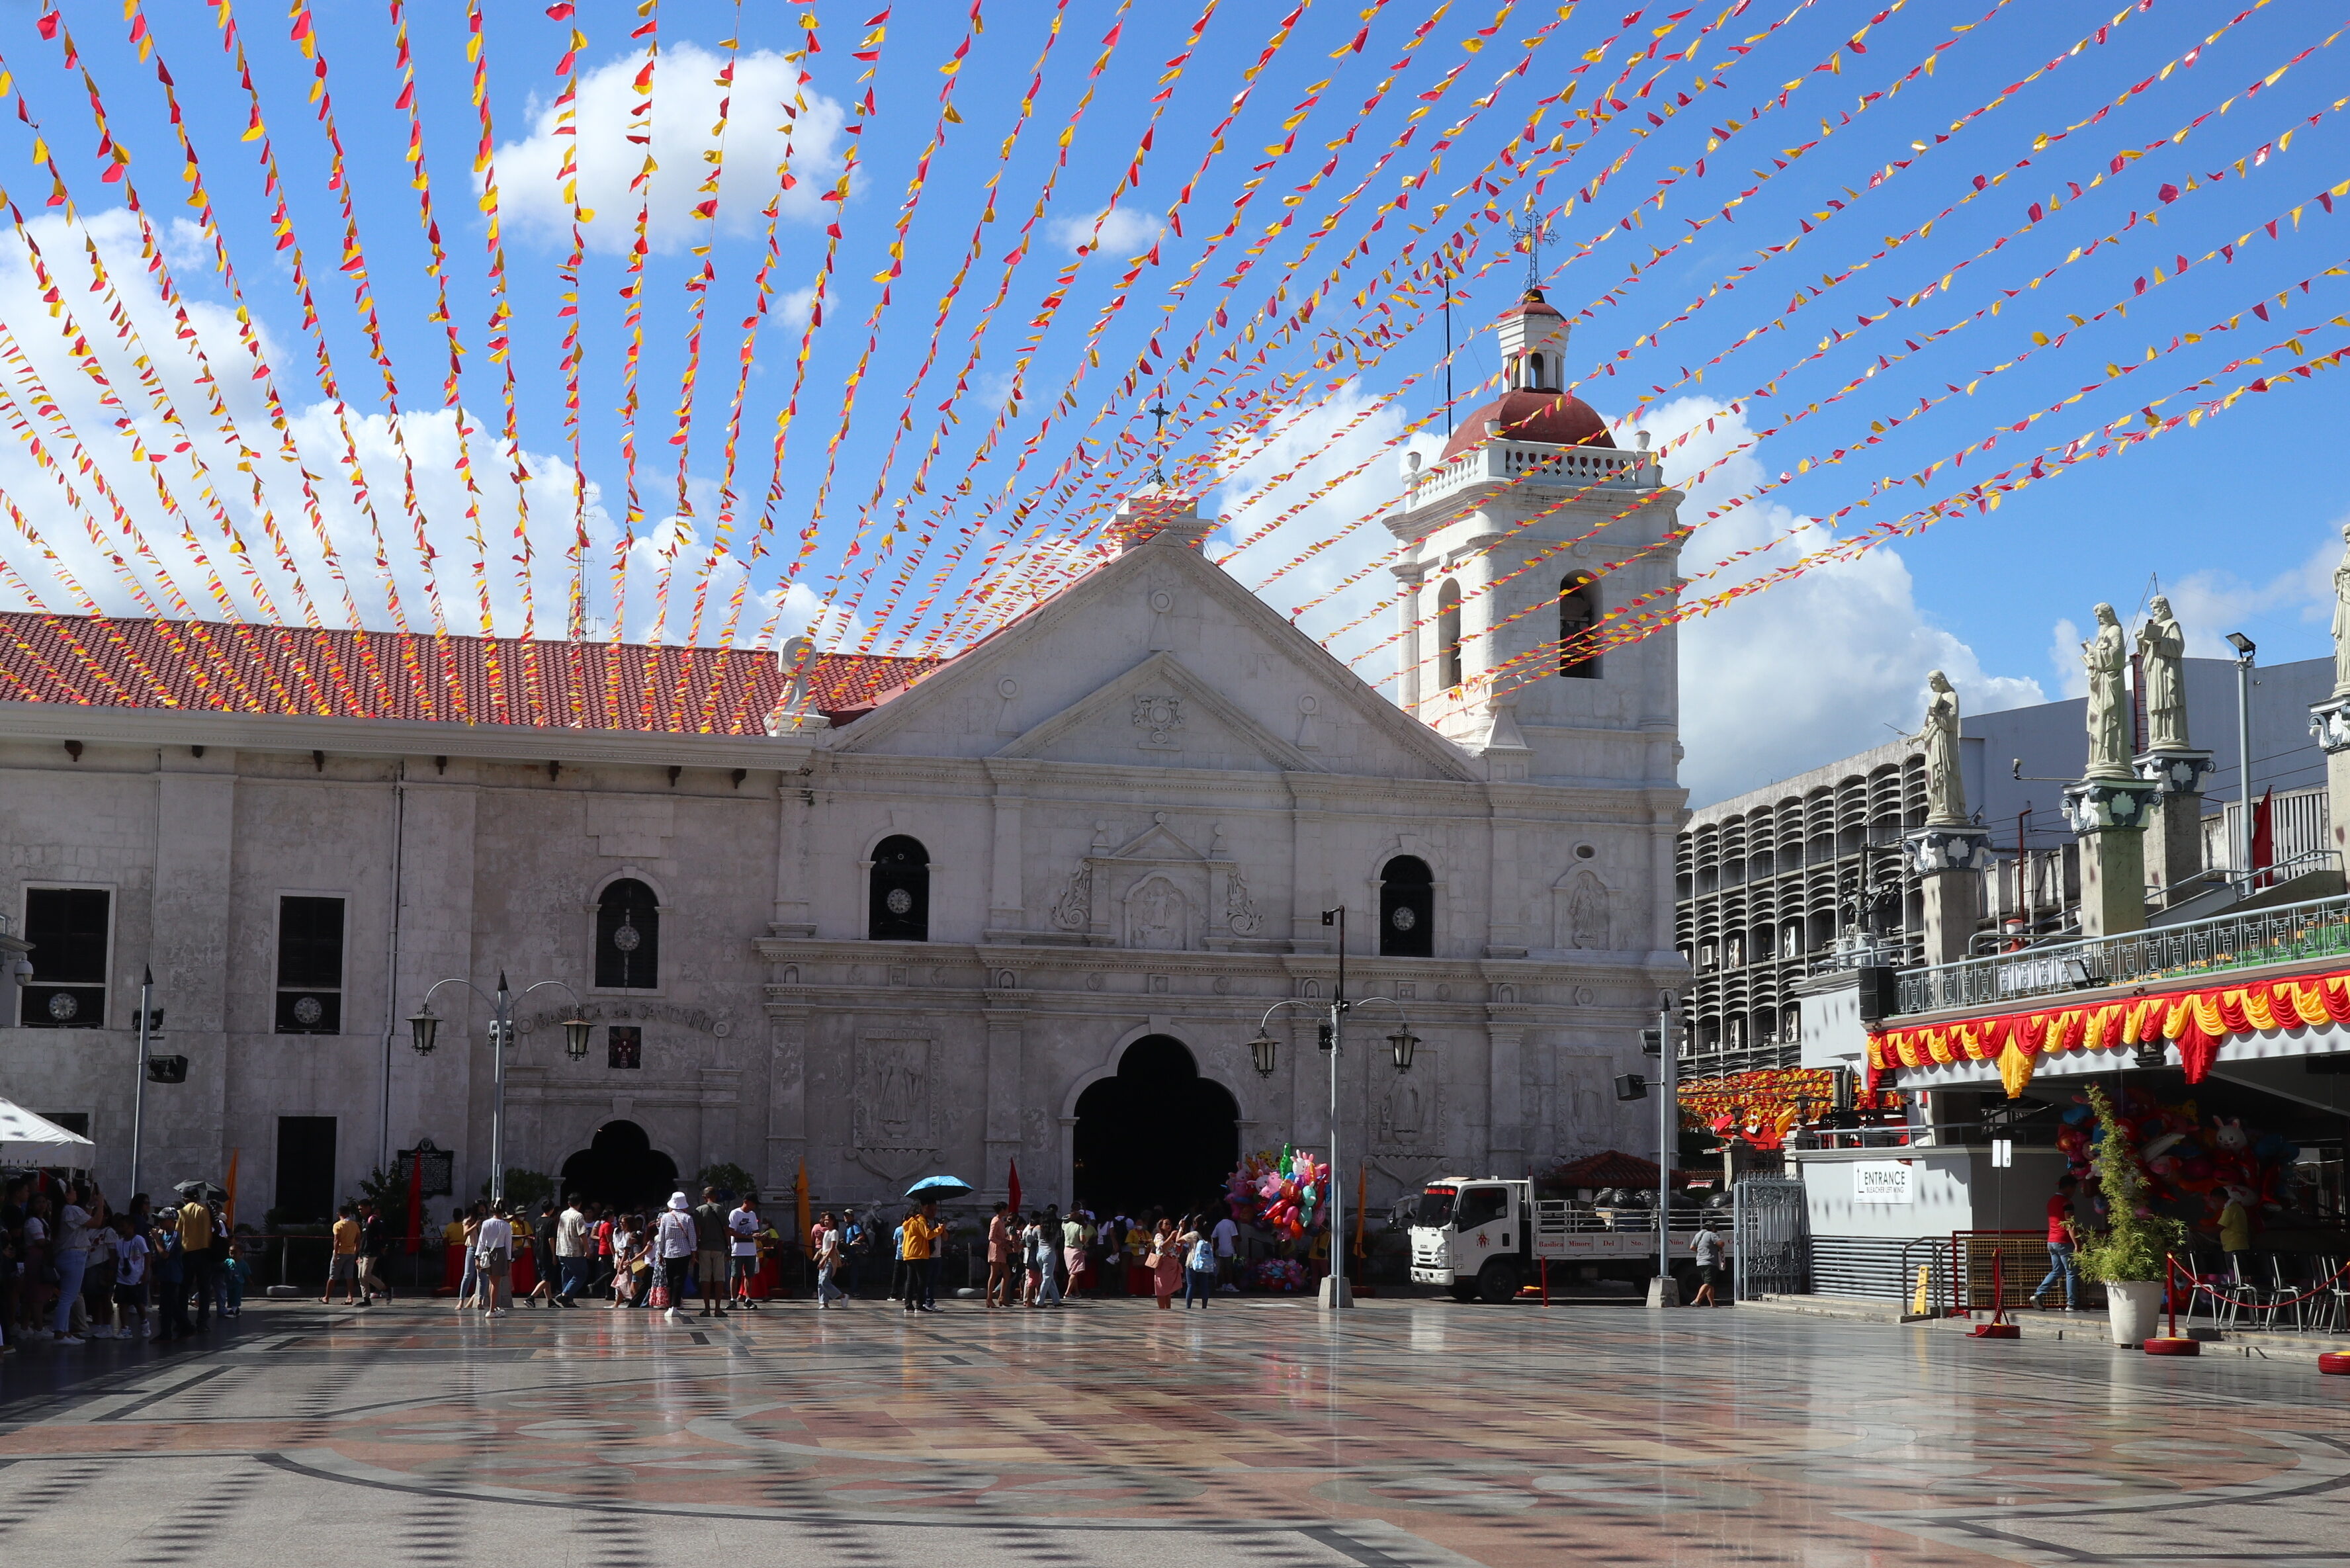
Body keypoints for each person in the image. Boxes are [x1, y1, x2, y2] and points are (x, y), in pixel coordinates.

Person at [2032, 1174, 2082, 1312]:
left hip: (2052, 1241)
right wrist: (2077, 1244)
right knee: (2071, 1272)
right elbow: (2070, 1224)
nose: (2074, 1192)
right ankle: (2072, 1304)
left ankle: (2039, 1294)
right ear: (2069, 1187)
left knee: (2057, 1270)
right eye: (2074, 1188)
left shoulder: (2051, 1201)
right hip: (2064, 1241)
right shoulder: (2066, 1203)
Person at [50, 1182, 93, 1344]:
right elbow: (95, 1222)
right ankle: (60, 1332)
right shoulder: (70, 1210)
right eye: (72, 1190)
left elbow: (85, 1221)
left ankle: (65, 1331)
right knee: (68, 1297)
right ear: (66, 1195)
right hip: (74, 1255)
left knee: (68, 1296)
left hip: (66, 1255)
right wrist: (101, 1203)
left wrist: (90, 1205)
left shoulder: (63, 1211)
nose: (75, 1192)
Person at [177, 1188, 216, 1333]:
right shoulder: (205, 1209)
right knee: (204, 1289)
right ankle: (202, 1322)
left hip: (187, 1255)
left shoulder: (182, 1212)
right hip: (205, 1253)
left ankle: (182, 1321)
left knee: (184, 1289)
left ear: (185, 1199)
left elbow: (178, 1235)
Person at [654, 1193, 698, 1323]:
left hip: (668, 1252)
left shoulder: (665, 1218)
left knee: (670, 1279)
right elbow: (692, 1236)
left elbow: (661, 1237)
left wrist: (660, 1253)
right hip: (684, 1252)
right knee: (680, 1279)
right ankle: (675, 1305)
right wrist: (694, 1251)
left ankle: (670, 1306)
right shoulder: (688, 1218)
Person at [691, 1187, 731, 1318]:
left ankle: (707, 1308)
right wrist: (729, 1247)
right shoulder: (721, 1209)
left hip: (704, 1247)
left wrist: (695, 1248)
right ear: (716, 1196)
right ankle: (718, 1309)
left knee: (705, 1278)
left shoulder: (699, 1210)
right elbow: (726, 1229)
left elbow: (697, 1231)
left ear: (704, 1197)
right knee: (719, 1278)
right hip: (719, 1247)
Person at [111, 1213, 150, 1341]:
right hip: (122, 1277)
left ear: (132, 1227)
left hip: (136, 1277)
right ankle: (125, 1329)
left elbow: (147, 1255)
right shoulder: (119, 1243)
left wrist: (145, 1272)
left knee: (138, 1303)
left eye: (124, 1226)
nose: (121, 1229)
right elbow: (116, 1259)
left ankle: (144, 1323)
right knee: (122, 1304)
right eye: (120, 1227)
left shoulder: (139, 1240)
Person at [900, 1201, 943, 1313]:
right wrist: (940, 1229)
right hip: (919, 1252)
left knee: (910, 1280)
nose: (929, 1212)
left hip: (909, 1253)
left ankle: (908, 1305)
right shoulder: (920, 1219)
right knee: (922, 1280)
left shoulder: (909, 1220)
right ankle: (920, 1305)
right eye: (927, 1209)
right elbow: (928, 1235)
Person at [475, 1201, 514, 1316]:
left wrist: (477, 1257)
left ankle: (492, 1307)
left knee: (491, 1282)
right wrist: (509, 1261)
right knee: (495, 1284)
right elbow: (508, 1245)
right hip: (500, 1254)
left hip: (487, 1253)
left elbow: (481, 1241)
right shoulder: (506, 1226)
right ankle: (492, 1310)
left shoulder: (486, 1224)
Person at [552, 1194, 590, 1307]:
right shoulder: (578, 1216)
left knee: (567, 1275)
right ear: (580, 1203)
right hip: (574, 1250)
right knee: (581, 1274)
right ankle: (565, 1294)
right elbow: (582, 1234)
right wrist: (587, 1249)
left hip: (562, 1249)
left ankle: (569, 1300)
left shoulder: (563, 1214)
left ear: (569, 1203)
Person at [324, 1203, 365, 1307]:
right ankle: (350, 1296)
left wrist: (335, 1254)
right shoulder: (355, 1224)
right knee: (349, 1276)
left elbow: (336, 1240)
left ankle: (327, 1297)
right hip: (351, 1253)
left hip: (340, 1252)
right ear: (349, 1214)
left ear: (339, 1214)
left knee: (333, 1276)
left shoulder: (338, 1225)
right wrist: (356, 1251)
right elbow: (358, 1239)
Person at [728, 1194, 763, 1309]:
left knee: (749, 1275)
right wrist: (747, 1236)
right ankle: (733, 1299)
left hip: (750, 1250)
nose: (754, 1206)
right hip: (737, 1250)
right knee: (735, 1275)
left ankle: (748, 1298)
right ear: (746, 1202)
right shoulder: (735, 1213)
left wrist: (759, 1236)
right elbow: (731, 1231)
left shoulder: (753, 1215)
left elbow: (755, 1230)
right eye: (753, 1203)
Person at [357, 1201, 392, 1304]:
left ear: (368, 1208)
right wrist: (359, 1254)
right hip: (363, 1252)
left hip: (371, 1251)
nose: (360, 1211)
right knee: (360, 1276)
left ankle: (385, 1288)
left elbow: (384, 1234)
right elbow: (363, 1239)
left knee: (366, 1274)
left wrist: (383, 1246)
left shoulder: (373, 1220)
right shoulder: (364, 1221)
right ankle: (366, 1299)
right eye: (359, 1209)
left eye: (361, 1209)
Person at [1182, 1217, 1216, 1309]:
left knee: (1191, 1285)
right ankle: (1204, 1306)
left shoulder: (1194, 1234)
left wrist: (1181, 1228)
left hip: (1192, 1262)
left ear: (1195, 1224)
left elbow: (1178, 1240)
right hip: (1204, 1264)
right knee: (1204, 1286)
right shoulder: (1209, 1237)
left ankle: (1188, 1307)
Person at [1690, 1219, 1725, 1307]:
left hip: (1700, 1262)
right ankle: (1697, 1300)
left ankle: (1712, 1303)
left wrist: (1702, 1252)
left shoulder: (1698, 1235)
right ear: (1713, 1228)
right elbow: (1721, 1244)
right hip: (1710, 1262)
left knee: (1710, 1284)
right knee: (1708, 1283)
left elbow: (1692, 1247)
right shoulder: (1711, 1234)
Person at [813, 1213, 846, 1307]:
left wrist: (825, 1260)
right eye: (825, 1220)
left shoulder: (834, 1232)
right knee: (820, 1281)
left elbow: (832, 1248)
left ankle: (841, 1295)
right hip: (824, 1256)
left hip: (830, 1258)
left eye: (828, 1220)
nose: (826, 1221)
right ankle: (824, 1303)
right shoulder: (827, 1232)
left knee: (825, 1281)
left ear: (833, 1221)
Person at [1149, 1218, 1183, 1310]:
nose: (1169, 1226)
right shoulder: (1158, 1236)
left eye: (1170, 1224)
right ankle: (1162, 1309)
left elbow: (1177, 1251)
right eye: (1166, 1224)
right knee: (1161, 1288)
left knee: (1168, 1289)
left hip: (1171, 1265)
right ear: (1161, 1226)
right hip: (1163, 1264)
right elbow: (1162, 1247)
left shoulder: (1171, 1240)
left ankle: (1168, 1309)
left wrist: (1181, 1231)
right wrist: (1172, 1236)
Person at [984, 1202, 1013, 1308]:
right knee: (994, 1274)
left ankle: (1002, 1297)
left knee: (1007, 1273)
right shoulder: (996, 1221)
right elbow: (991, 1237)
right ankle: (989, 1299)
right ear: (1002, 1210)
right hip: (996, 1249)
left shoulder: (1001, 1221)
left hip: (1001, 1249)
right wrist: (1002, 1243)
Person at [1211, 1207, 1241, 1293]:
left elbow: (1213, 1236)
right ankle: (1230, 1284)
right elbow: (1234, 1237)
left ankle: (1224, 1284)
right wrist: (1237, 1249)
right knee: (1229, 1268)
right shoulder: (1231, 1224)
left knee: (1222, 1268)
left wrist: (1215, 1247)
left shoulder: (1219, 1224)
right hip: (1229, 1249)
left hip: (1221, 1249)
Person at [1062, 1209, 1090, 1301]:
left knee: (1073, 1272)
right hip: (1076, 1250)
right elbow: (1082, 1239)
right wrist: (1085, 1241)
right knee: (1074, 1272)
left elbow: (1063, 1220)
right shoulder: (1079, 1227)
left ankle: (1077, 1292)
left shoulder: (1065, 1225)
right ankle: (1068, 1293)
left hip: (1067, 1250)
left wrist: (1068, 1217)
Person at [1124, 1215, 1151, 1297]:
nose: (1140, 1225)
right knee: (1135, 1277)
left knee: (1146, 1276)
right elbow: (1129, 1243)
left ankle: (1147, 1292)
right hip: (1135, 1256)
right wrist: (1138, 1246)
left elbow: (1152, 1242)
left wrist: (1147, 1245)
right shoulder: (1132, 1232)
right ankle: (1134, 1292)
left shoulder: (1146, 1233)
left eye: (1141, 1223)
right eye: (1138, 1223)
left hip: (1144, 1256)